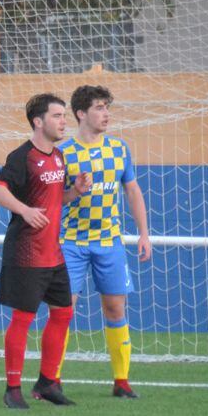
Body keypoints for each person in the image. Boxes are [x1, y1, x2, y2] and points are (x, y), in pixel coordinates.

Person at [0, 93, 91, 409]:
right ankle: (13, 389)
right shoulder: (22, 157)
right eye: (57, 116)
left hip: (53, 254)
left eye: (64, 116)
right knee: (24, 317)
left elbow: (55, 200)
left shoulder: (58, 157)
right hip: (26, 252)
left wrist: (75, 191)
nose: (64, 122)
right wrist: (25, 210)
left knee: (63, 313)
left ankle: (47, 383)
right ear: (38, 121)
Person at [58, 85, 151, 398]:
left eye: (107, 107)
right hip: (70, 242)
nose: (106, 113)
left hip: (109, 242)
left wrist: (144, 233)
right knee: (63, 311)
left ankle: (121, 381)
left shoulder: (119, 148)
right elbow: (51, 198)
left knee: (115, 308)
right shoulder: (63, 153)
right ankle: (51, 381)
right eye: (99, 107)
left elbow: (132, 190)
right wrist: (73, 192)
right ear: (81, 113)